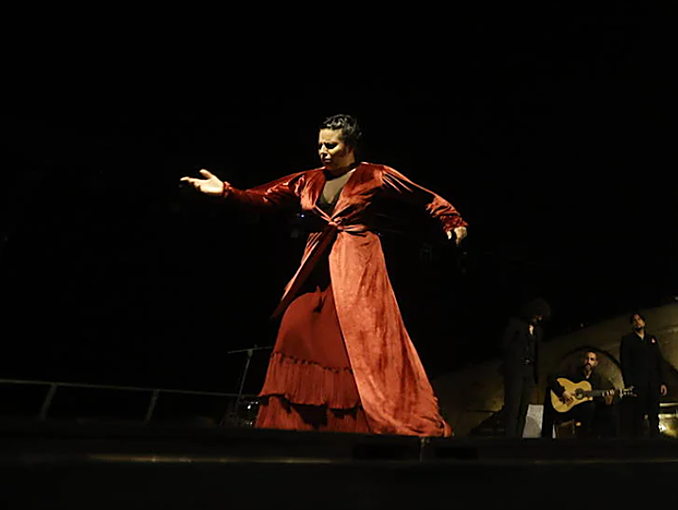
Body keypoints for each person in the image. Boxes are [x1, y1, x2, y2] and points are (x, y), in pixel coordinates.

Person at [180, 114, 467, 436]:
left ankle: (357, 421)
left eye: (331, 145)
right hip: (317, 262)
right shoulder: (308, 179)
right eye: (320, 145)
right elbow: (264, 197)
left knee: (356, 340)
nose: (323, 151)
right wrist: (226, 192)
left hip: (358, 263)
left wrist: (450, 219)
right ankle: (300, 422)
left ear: (350, 145)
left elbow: (424, 197)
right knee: (295, 324)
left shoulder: (375, 175)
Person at [500, 299, 550, 438]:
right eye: (537, 315)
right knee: (513, 408)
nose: (539, 319)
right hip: (515, 370)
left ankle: (518, 438)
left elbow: (537, 352)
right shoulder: (515, 324)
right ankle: (509, 439)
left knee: (523, 408)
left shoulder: (538, 331)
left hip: (529, 371)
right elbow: (505, 346)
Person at [619, 311, 668, 438]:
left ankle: (656, 440)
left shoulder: (651, 339)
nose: (637, 322)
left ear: (644, 322)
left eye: (639, 319)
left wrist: (662, 382)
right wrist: (629, 384)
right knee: (638, 414)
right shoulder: (627, 340)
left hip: (653, 382)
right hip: (638, 383)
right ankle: (640, 444)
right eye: (634, 320)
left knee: (654, 414)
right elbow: (625, 364)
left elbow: (658, 360)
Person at [549, 350, 617, 439]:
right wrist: (563, 392)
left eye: (592, 359)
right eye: (587, 359)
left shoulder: (598, 379)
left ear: (596, 363)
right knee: (589, 406)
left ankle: (606, 443)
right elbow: (551, 378)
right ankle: (585, 440)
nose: (589, 361)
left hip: (590, 411)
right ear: (583, 360)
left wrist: (607, 402)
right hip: (570, 409)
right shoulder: (573, 373)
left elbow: (598, 400)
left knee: (609, 411)